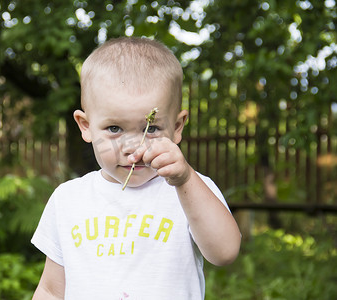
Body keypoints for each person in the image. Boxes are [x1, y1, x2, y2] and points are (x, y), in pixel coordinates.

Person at [31, 37, 241, 300]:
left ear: (177, 127)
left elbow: (225, 252)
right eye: (114, 129)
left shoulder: (190, 190)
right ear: (86, 126)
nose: (133, 147)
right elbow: (51, 290)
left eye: (150, 129)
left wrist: (185, 179)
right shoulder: (68, 199)